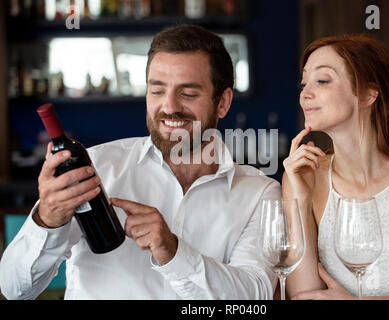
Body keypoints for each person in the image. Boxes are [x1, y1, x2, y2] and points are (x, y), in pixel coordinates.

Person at [0, 25, 280, 300]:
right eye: (157, 91)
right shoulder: (94, 168)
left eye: (188, 93)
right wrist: (47, 220)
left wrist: (173, 252)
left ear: (223, 102)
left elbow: (254, 298)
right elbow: (14, 289)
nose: (169, 106)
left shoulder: (260, 194)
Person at [283, 34, 389, 299]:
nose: (305, 94)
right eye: (303, 83)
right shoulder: (306, 177)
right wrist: (299, 201)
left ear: (369, 94)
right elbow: (305, 295)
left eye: (322, 81)